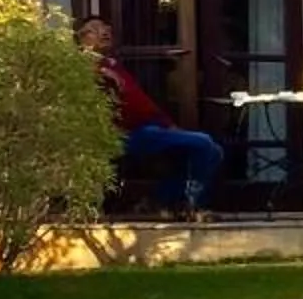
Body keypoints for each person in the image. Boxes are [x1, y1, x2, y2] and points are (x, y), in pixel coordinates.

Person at [79, 18, 223, 215]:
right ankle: (193, 205)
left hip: (146, 128)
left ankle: (160, 200)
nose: (103, 32)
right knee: (203, 142)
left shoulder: (114, 65)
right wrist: (99, 69)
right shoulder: (82, 67)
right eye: (94, 29)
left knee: (213, 150)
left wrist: (168, 125)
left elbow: (141, 104)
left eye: (105, 28)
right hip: (122, 135)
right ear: (82, 38)